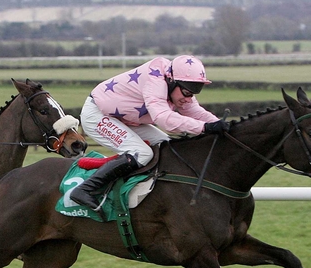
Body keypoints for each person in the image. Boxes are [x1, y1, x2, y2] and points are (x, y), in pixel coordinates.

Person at [70, 55, 229, 211]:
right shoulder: (156, 82)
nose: (189, 98)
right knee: (142, 153)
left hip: (125, 118)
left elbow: (196, 112)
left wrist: (224, 126)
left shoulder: (175, 83)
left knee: (167, 146)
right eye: (187, 92)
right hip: (98, 115)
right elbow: (164, 119)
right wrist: (205, 128)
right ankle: (86, 189)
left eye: (193, 93)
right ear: (172, 82)